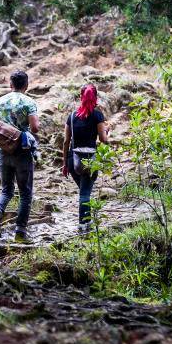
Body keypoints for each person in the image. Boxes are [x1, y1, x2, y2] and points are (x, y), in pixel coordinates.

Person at [0, 70, 40, 243]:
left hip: (2, 151)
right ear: (26, 85)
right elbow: (35, 128)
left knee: (7, 189)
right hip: (22, 152)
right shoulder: (29, 102)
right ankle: (20, 233)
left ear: (10, 84)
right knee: (25, 193)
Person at [62, 83, 109, 234]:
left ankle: (86, 221)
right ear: (95, 98)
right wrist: (108, 131)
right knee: (85, 193)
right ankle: (83, 225)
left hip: (73, 159)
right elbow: (103, 139)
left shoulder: (71, 116)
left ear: (81, 97)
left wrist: (64, 164)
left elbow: (65, 141)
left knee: (84, 191)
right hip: (90, 159)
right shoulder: (97, 115)